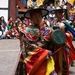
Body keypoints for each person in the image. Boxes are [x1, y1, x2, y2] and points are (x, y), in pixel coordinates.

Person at [17, 8, 56, 75]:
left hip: (45, 59)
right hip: (32, 60)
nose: (38, 18)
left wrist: (59, 43)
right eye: (35, 16)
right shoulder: (26, 31)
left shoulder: (48, 30)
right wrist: (44, 52)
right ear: (31, 18)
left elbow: (52, 44)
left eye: (39, 16)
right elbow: (27, 47)